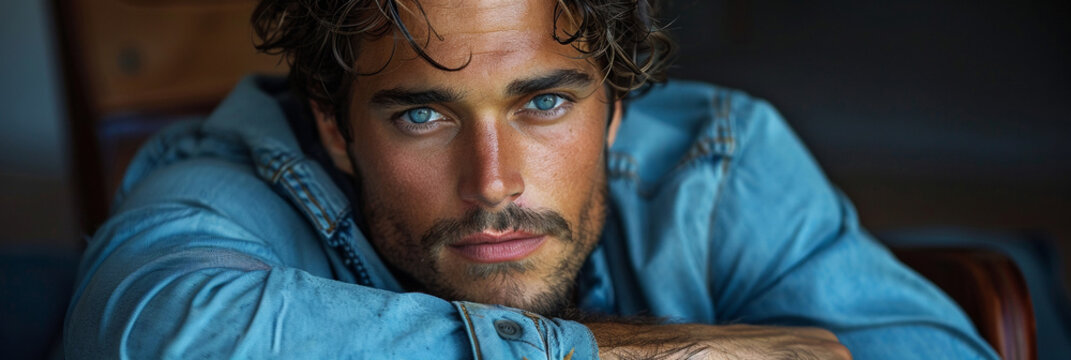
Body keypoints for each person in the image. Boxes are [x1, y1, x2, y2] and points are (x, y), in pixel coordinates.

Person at [64, 0, 998, 358]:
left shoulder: (713, 159)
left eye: (544, 104)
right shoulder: (235, 176)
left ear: (618, 106)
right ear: (332, 127)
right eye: (422, 114)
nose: (493, 183)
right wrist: (658, 357)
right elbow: (162, 337)